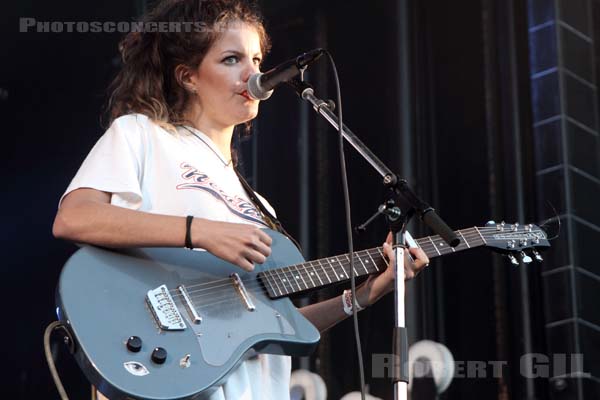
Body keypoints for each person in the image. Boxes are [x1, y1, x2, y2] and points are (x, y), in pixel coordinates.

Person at [52, 0, 429, 399]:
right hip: (162, 374)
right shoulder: (142, 135)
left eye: (257, 58)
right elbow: (74, 218)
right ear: (188, 77)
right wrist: (198, 231)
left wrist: (364, 295)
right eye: (232, 59)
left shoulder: (260, 207)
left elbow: (268, 329)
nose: (254, 74)